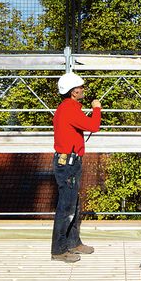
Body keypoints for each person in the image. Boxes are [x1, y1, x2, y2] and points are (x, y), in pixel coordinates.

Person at [50, 71, 102, 263]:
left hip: (69, 162)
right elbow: (94, 126)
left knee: (73, 204)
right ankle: (59, 250)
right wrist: (97, 109)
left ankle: (73, 242)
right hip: (68, 164)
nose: (82, 89)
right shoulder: (70, 109)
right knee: (66, 207)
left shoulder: (68, 108)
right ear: (73, 92)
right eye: (80, 87)